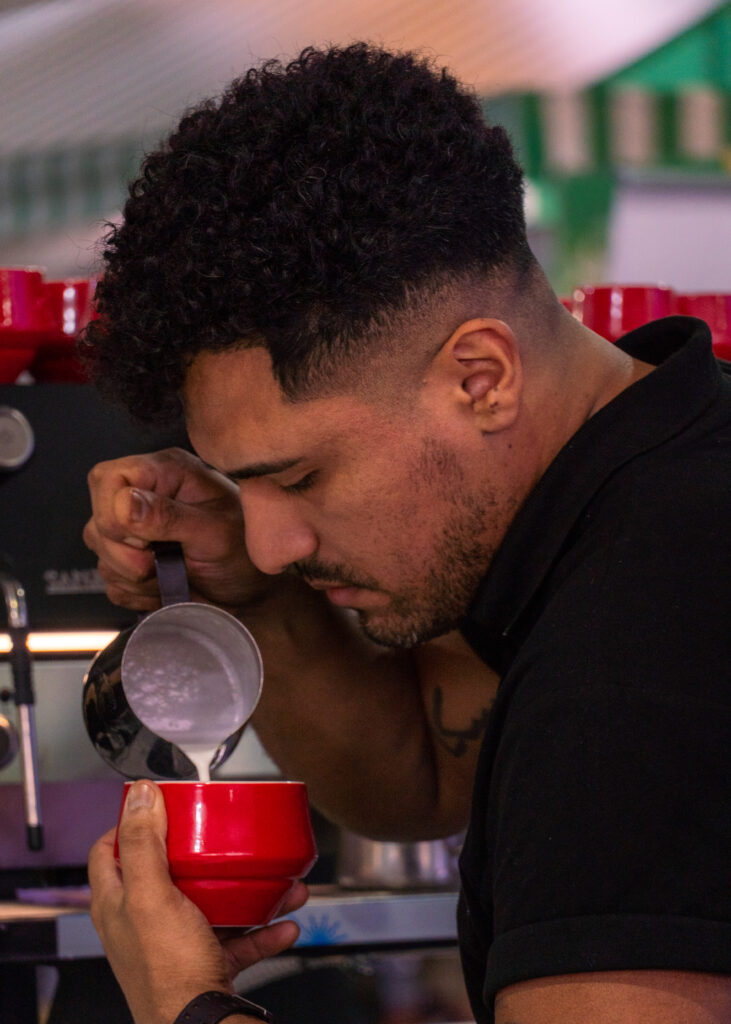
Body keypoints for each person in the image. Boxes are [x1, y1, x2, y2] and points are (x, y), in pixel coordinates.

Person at [83, 43, 731, 1024]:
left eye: (298, 477)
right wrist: (255, 603)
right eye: (241, 485)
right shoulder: (645, 481)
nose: (271, 543)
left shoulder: (634, 651)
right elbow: (424, 775)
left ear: (480, 377)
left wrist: (187, 1004)